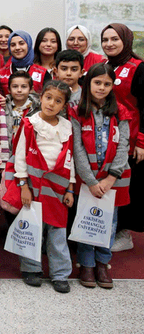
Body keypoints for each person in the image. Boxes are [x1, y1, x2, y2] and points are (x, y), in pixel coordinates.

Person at [3, 81, 75, 294]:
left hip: (58, 188)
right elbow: (20, 158)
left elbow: (69, 159)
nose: (52, 104)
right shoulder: (29, 124)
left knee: (57, 232)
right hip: (34, 186)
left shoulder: (67, 126)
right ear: (41, 98)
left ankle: (60, 274)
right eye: (48, 98)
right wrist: (23, 185)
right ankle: (31, 269)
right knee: (33, 228)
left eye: (58, 101)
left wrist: (70, 188)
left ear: (63, 106)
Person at [72, 63, 131, 289]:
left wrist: (110, 179)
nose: (102, 87)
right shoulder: (77, 112)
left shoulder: (121, 112)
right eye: (97, 82)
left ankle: (102, 263)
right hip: (88, 180)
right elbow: (77, 149)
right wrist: (91, 180)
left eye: (107, 84)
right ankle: (86, 264)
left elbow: (123, 145)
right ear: (88, 84)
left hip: (111, 182)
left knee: (108, 222)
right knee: (88, 221)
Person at [100, 23, 144, 250]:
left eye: (114, 39)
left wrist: (142, 142)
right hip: (106, 140)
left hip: (131, 141)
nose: (109, 44)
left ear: (126, 40)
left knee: (128, 188)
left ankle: (124, 233)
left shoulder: (138, 67)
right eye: (105, 39)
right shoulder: (102, 67)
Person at [0, 30, 51, 94]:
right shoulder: (1, 73)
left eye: (21, 43)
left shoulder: (43, 73)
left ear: (28, 45)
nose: (17, 48)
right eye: (13, 45)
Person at [4, 71, 41, 149]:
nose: (19, 90)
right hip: (8, 150)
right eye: (15, 86)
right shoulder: (4, 106)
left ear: (31, 89)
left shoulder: (37, 108)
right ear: (9, 89)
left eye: (24, 86)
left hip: (29, 150)